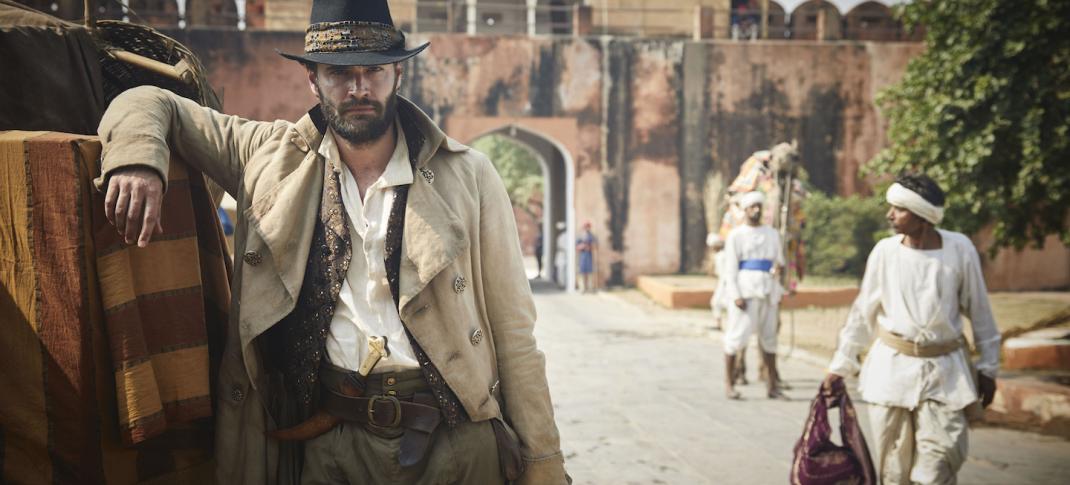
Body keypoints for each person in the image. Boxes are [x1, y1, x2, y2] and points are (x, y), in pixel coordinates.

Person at [95, 1, 568, 483]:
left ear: (398, 76)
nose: (358, 87)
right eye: (339, 73)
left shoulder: (468, 175)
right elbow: (149, 102)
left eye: (374, 71)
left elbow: (514, 332)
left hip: (455, 442)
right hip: (331, 443)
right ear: (313, 80)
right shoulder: (268, 157)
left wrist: (544, 463)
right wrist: (139, 159)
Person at [823, 174, 999, 485]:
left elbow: (980, 312)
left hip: (946, 373)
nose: (890, 215)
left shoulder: (960, 249)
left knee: (938, 467)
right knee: (894, 471)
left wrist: (988, 367)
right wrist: (840, 365)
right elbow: (863, 314)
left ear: (923, 216)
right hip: (891, 373)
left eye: (899, 209)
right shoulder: (885, 252)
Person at [721, 191, 787, 400]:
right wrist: (735, 295)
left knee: (769, 339)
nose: (756, 210)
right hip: (745, 290)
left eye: (759, 206)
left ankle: (772, 384)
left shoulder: (772, 233)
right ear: (745, 210)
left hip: (768, 289)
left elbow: (779, 261)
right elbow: (730, 269)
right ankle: (729, 383)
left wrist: (778, 270)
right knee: (737, 337)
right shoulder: (736, 235)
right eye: (752, 207)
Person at [706, 233, 729, 331]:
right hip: (723, 282)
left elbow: (726, 272)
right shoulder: (720, 255)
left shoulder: (723, 255)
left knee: (718, 302)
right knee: (717, 302)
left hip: (725, 283)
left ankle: (720, 324)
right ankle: (718, 323)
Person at [576, 221, 598, 293]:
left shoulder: (592, 236)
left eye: (588, 227)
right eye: (586, 227)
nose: (587, 228)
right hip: (582, 256)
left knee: (590, 273)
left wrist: (590, 247)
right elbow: (577, 247)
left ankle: (590, 288)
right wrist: (582, 246)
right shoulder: (580, 236)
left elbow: (595, 245)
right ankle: (582, 288)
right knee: (581, 273)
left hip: (589, 256)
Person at [554, 221, 569, 288]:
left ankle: (563, 283)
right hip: (560, 254)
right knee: (560, 269)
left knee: (563, 269)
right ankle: (561, 283)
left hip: (564, 254)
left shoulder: (565, 236)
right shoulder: (560, 236)